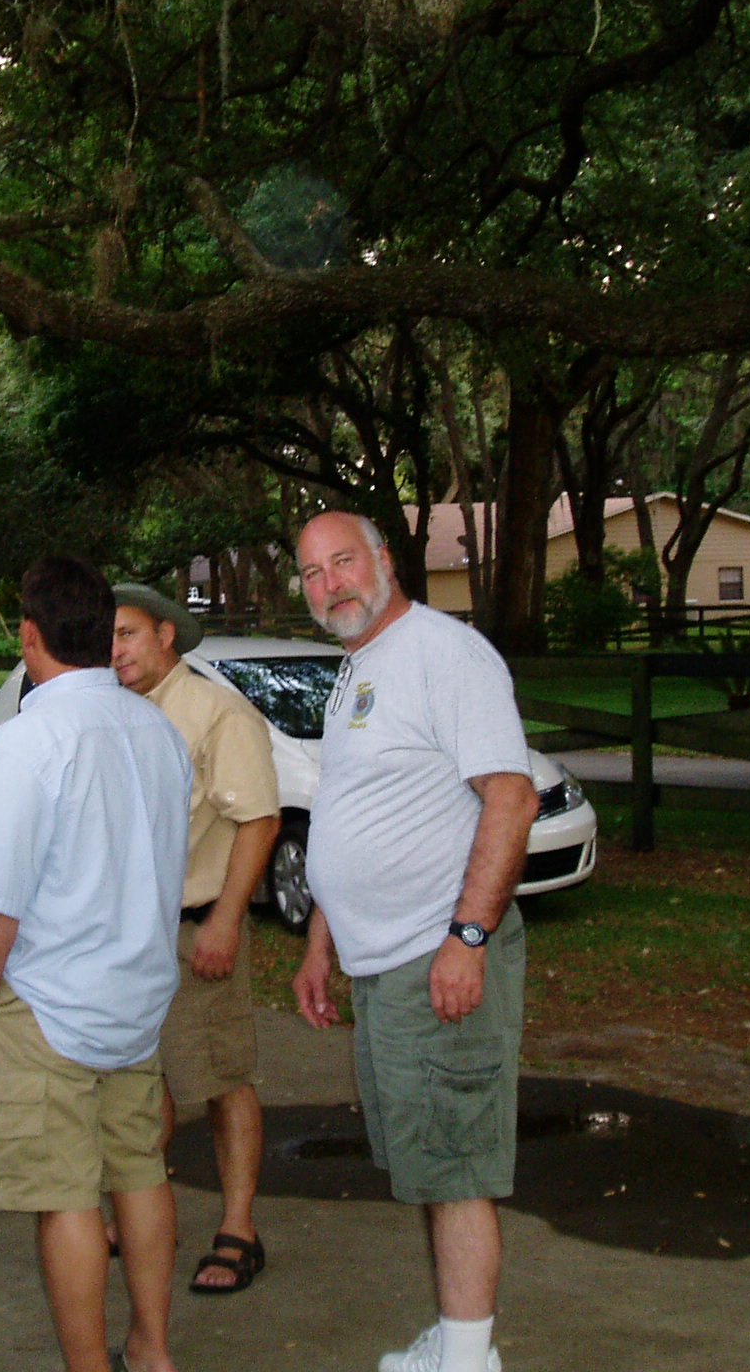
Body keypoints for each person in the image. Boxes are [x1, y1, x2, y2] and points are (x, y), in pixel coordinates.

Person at [289, 512, 541, 1372]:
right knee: (431, 1160)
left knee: (458, 1165)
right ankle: (458, 1335)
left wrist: (467, 938)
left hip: (436, 956)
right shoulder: (360, 665)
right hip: (383, 962)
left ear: (385, 561)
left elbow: (511, 798)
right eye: (313, 573)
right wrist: (321, 940)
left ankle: (468, 1360)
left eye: (344, 562)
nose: (331, 584)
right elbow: (351, 808)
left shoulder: (445, 654)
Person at [0, 557, 192, 1372]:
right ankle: (152, 1348)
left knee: (63, 1200)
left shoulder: (28, 740)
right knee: (140, 1173)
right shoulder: (156, 730)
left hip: (48, 1004)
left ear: (30, 636)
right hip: (136, 999)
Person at [109, 582, 279, 1295]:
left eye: (127, 633)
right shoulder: (115, 712)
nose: (114, 650)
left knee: (219, 1078)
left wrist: (225, 921)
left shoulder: (216, 712)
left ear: (165, 634)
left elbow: (259, 819)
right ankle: (141, 1213)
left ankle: (239, 1228)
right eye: (106, 637)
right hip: (124, 938)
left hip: (193, 927)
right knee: (138, 1083)